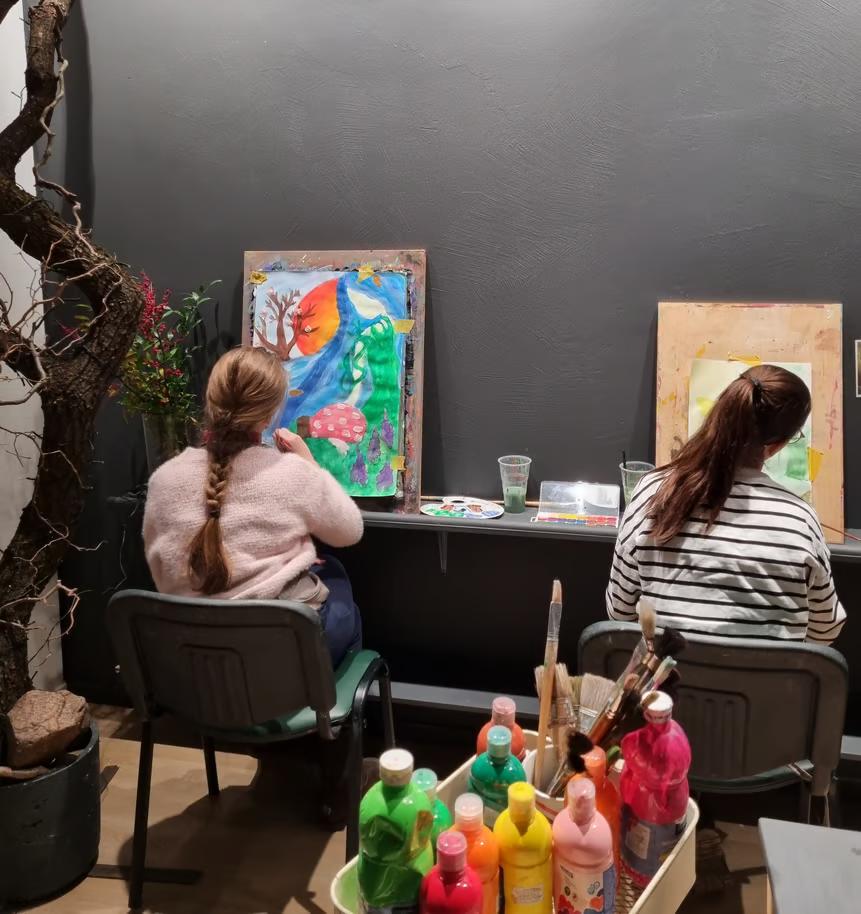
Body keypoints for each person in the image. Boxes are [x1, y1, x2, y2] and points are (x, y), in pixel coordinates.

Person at [143, 346, 364, 667]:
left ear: (210, 400)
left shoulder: (163, 479)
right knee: (339, 582)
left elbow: (159, 567)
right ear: (269, 415)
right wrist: (309, 465)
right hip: (278, 656)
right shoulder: (292, 473)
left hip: (191, 654)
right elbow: (350, 531)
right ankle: (332, 697)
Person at [607, 364, 845, 644]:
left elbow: (619, 612)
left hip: (665, 672)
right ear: (778, 445)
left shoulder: (652, 491)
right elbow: (824, 631)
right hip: (766, 675)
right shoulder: (799, 520)